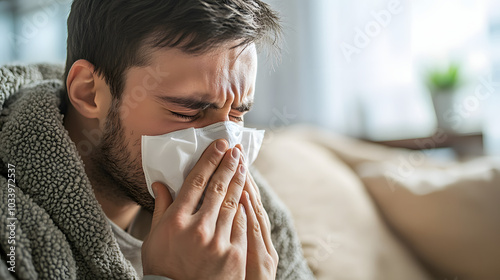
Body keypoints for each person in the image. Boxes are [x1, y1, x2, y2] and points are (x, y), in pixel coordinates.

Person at [0, 0, 314, 279]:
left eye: (237, 114)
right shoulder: (11, 229)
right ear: (89, 92)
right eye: (188, 112)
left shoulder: (246, 206)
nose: (225, 147)